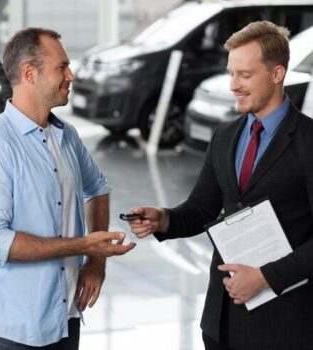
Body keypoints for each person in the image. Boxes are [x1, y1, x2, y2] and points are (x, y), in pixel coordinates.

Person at [127, 21, 313, 350]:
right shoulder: (225, 136)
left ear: (277, 74)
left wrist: (265, 278)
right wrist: (164, 218)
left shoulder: (310, 141)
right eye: (231, 73)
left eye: (245, 75)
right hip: (221, 321)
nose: (234, 85)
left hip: (285, 327)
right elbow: (202, 208)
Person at [0, 27, 136, 349]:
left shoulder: (66, 135)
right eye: (61, 67)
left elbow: (97, 188)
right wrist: (84, 245)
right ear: (30, 73)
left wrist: (95, 263)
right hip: (14, 331)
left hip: (66, 316)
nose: (70, 75)